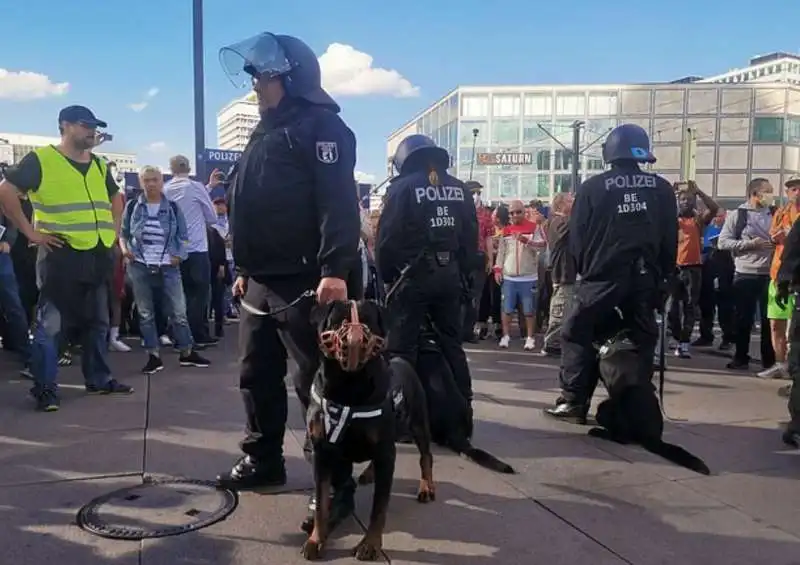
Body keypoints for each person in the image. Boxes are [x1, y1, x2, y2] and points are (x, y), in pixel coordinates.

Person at [215, 32, 362, 532]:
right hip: (261, 280)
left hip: (307, 280)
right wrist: (244, 270)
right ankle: (264, 461)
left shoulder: (322, 127)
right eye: (255, 75)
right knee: (255, 375)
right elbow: (250, 203)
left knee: (315, 387)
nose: (256, 84)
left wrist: (335, 270)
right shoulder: (264, 131)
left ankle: (334, 485)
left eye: (265, 76)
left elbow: (338, 203)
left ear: (291, 78)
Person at [0, 105, 133, 411]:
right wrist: (29, 233)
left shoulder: (99, 164)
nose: (92, 131)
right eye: (86, 125)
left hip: (97, 252)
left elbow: (115, 197)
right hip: (61, 255)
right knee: (50, 325)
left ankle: (98, 378)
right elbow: (6, 190)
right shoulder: (42, 159)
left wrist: (113, 232)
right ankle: (45, 387)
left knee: (99, 322)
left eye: (94, 126)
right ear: (65, 126)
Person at [544, 123, 677, 422]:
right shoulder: (661, 188)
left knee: (577, 332)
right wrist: (665, 277)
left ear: (610, 153)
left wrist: (586, 271)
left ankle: (573, 401)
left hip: (603, 278)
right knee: (641, 339)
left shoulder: (594, 187)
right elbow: (671, 238)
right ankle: (636, 407)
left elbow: (577, 238)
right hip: (646, 280)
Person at [375, 134, 478, 427]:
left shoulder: (403, 189)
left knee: (402, 350)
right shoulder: (460, 188)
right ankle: (463, 410)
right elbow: (471, 240)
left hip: (412, 278)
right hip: (450, 276)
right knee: (451, 344)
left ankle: (403, 418)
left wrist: (387, 278)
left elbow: (387, 240)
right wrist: (465, 275)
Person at [119, 165, 210, 374]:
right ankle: (153, 356)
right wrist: (125, 250)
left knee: (178, 311)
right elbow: (123, 233)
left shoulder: (173, 208)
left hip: (168, 266)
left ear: (162, 181)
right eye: (146, 180)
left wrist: (179, 255)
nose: (151, 184)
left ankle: (187, 351)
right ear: (141, 183)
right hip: (140, 265)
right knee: (145, 313)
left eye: (155, 180)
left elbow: (184, 236)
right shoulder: (133, 206)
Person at [717, 178, 776, 371]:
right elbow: (723, 242)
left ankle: (769, 361)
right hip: (745, 274)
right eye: (766, 191)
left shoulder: (774, 213)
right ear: (754, 194)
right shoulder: (738, 215)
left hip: (770, 274)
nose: (770, 195)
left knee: (770, 321)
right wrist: (750, 244)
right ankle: (741, 357)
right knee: (743, 319)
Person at [163, 155, 218, 349]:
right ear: (189, 167)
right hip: (197, 249)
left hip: (174, 251)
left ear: (171, 169)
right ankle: (198, 335)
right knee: (199, 294)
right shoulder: (195, 187)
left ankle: (179, 335)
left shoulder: (165, 190)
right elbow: (212, 216)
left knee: (179, 295)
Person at [668, 181, 719, 359]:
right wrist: (671, 193)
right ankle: (675, 336)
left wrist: (699, 192)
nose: (686, 202)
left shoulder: (697, 221)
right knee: (671, 308)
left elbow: (713, 208)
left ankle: (684, 343)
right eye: (682, 199)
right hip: (674, 268)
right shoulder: (672, 220)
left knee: (690, 307)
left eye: (689, 199)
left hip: (693, 269)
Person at [760, 175, 800, 379]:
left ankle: (795, 367)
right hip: (778, 275)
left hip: (797, 278)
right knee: (776, 323)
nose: (797, 192)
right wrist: (777, 237)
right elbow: (773, 235)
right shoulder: (782, 213)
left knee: (796, 327)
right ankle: (780, 364)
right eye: (793, 188)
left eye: (799, 187)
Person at [493, 199, 546, 350]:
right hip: (509, 276)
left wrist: (525, 240)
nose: (515, 215)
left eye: (518, 212)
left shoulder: (534, 228)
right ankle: (506, 335)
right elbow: (502, 253)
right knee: (507, 308)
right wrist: (497, 270)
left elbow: (542, 246)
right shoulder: (507, 231)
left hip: (528, 276)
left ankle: (530, 337)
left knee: (529, 310)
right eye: (512, 213)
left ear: (524, 212)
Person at [462, 180, 494, 343]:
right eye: (473, 192)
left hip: (479, 257)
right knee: (461, 295)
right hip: (462, 258)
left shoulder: (485, 214)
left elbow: (489, 237)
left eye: (479, 193)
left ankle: (469, 329)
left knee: (476, 296)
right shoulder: (459, 211)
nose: (476, 196)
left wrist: (490, 259)